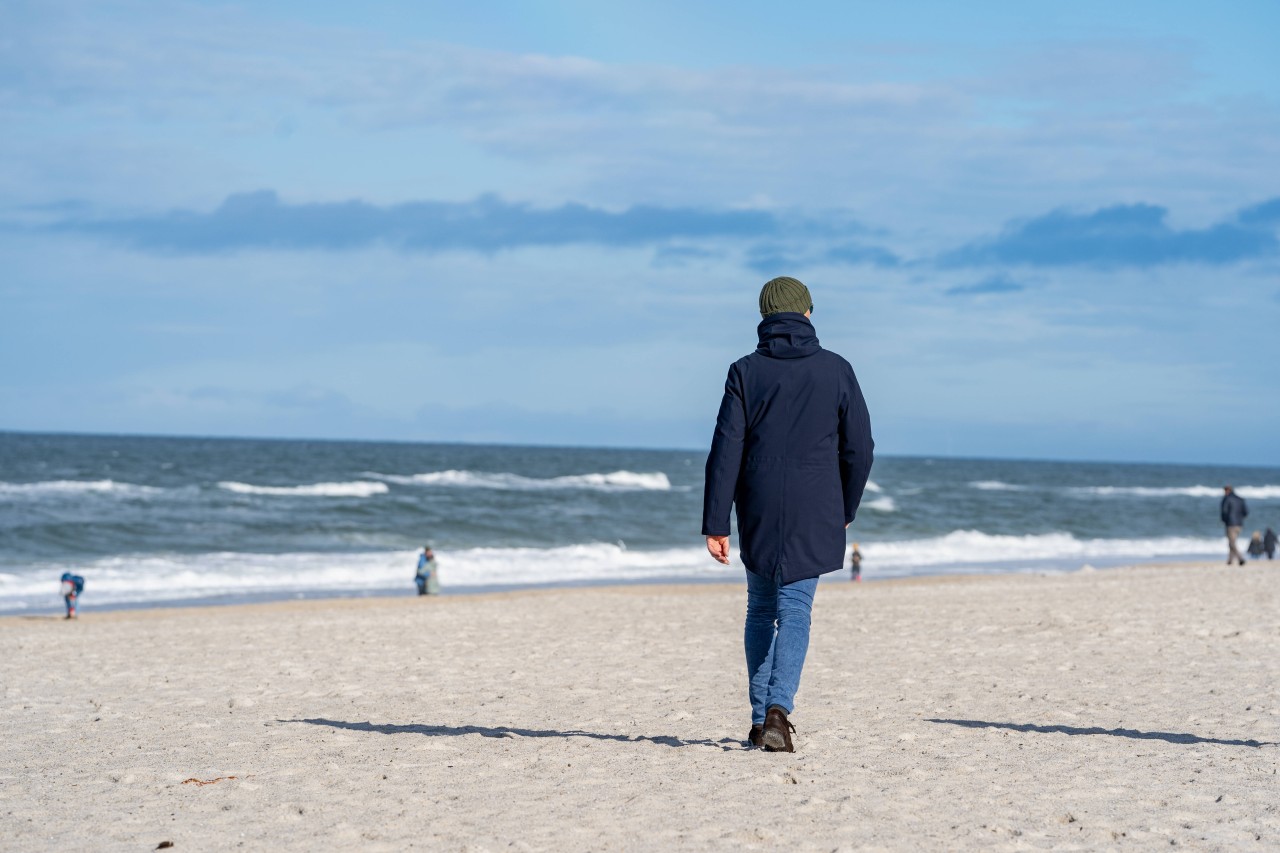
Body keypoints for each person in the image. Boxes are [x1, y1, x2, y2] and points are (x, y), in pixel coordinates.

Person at [703, 276, 874, 753]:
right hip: (817, 504)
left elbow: (725, 451)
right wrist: (846, 506)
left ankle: (761, 721)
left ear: (764, 317)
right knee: (794, 608)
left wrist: (716, 521)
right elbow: (861, 449)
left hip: (757, 504)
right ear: (808, 314)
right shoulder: (837, 369)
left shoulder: (744, 370)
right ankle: (778, 711)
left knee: (760, 609)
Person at [1220, 486, 1248, 565]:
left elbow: (1224, 512)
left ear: (1227, 490)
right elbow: (1246, 512)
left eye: (1225, 491)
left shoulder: (1226, 499)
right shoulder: (1240, 500)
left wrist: (1225, 521)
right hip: (1239, 524)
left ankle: (1240, 558)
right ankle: (1230, 560)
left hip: (1230, 524)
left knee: (1232, 543)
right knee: (1232, 542)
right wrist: (1240, 518)